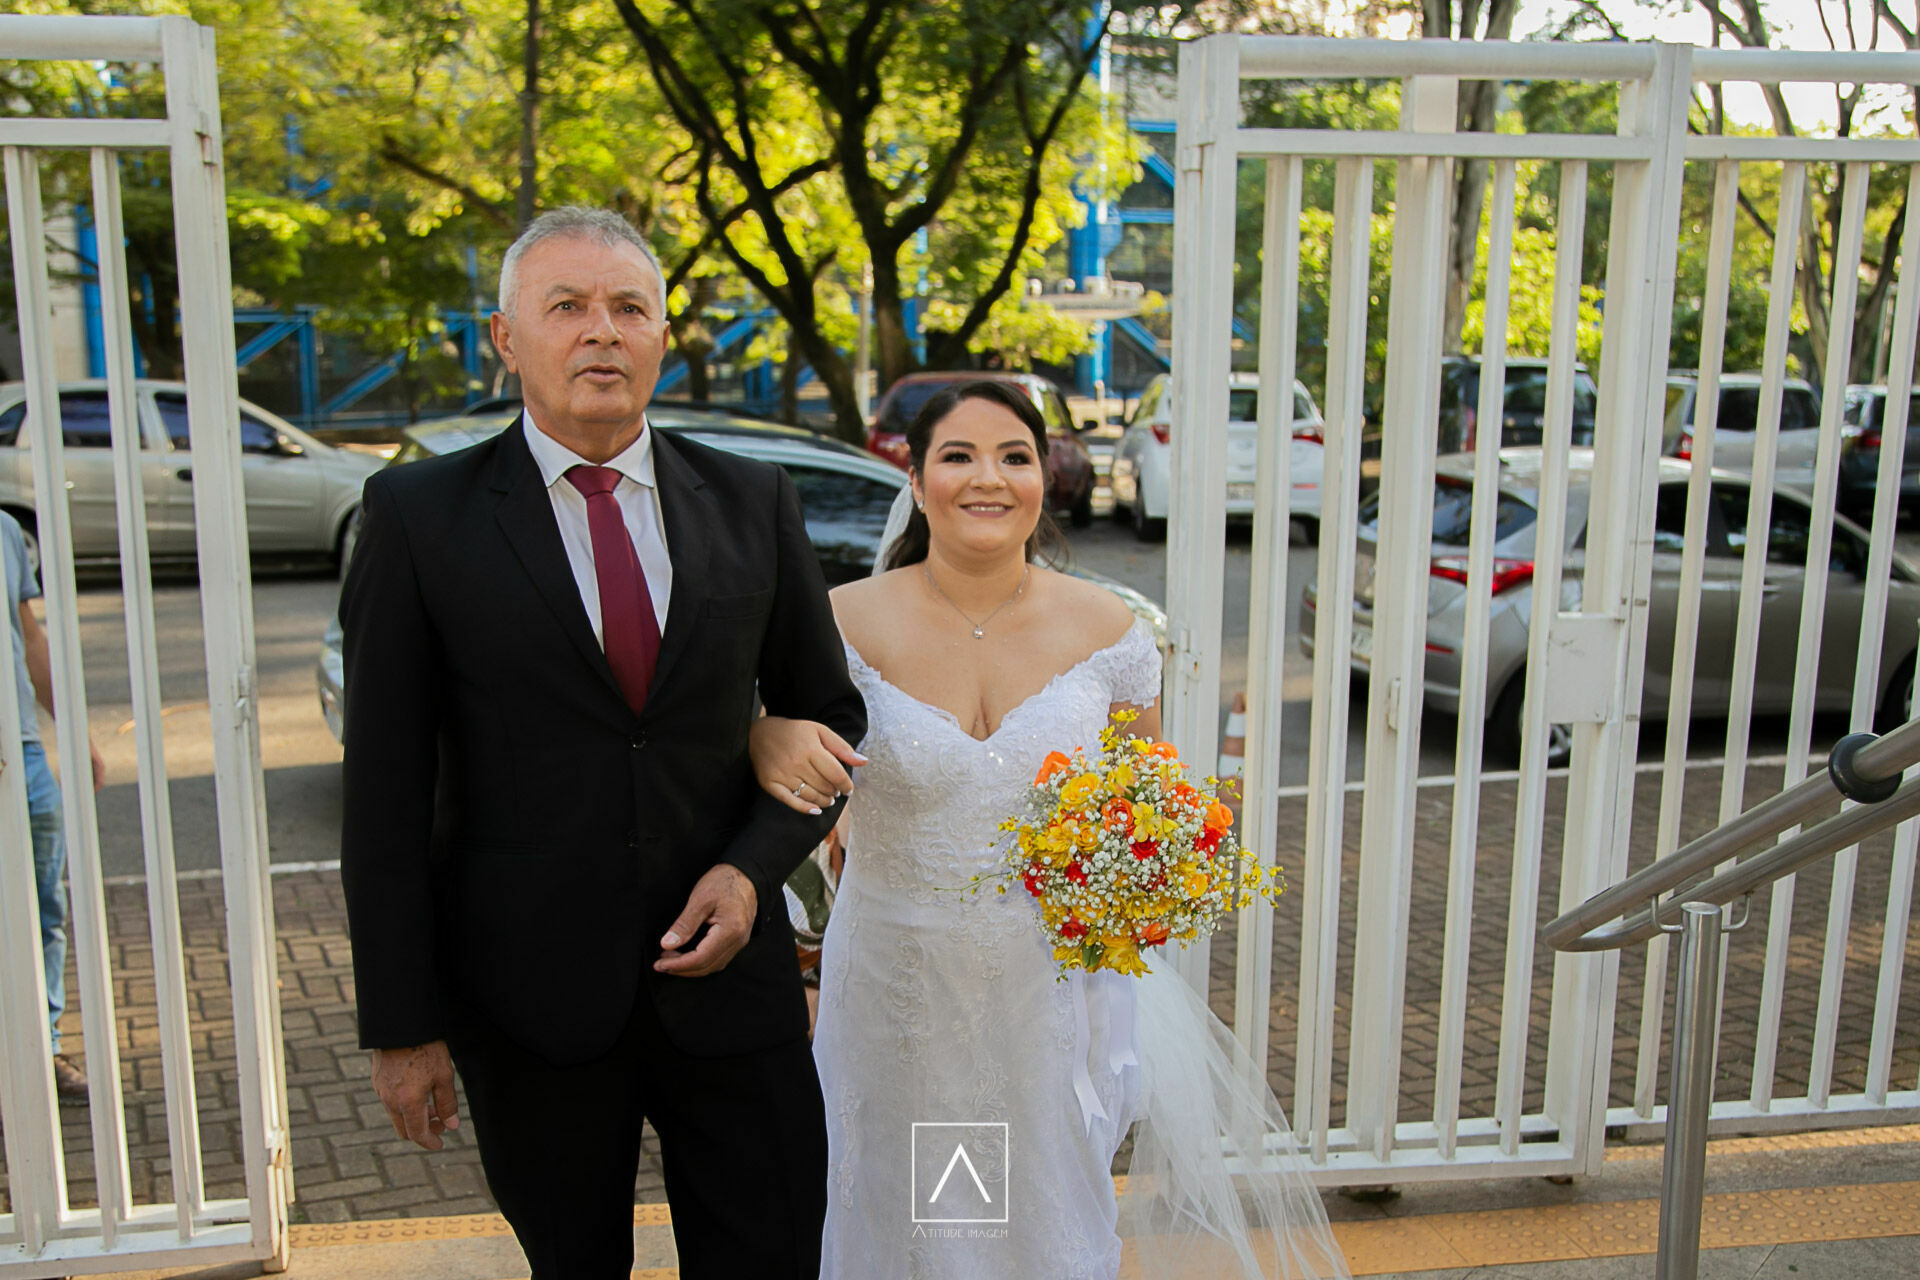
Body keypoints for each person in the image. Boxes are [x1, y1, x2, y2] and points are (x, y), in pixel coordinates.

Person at [338, 206, 864, 1280]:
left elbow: (829, 716)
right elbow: (384, 792)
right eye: (567, 306)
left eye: (629, 307)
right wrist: (403, 1023)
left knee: (775, 1252)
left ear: (664, 336)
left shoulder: (752, 498)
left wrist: (753, 869)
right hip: (528, 1003)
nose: (601, 332)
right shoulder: (416, 514)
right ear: (505, 337)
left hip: (732, 992)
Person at [749, 381, 1349, 1278]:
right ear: (916, 483)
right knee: (908, 1213)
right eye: (957, 457)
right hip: (897, 991)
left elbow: (1144, 811)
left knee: (1032, 1218)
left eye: (1014, 457)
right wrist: (763, 736)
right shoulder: (841, 623)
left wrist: (1154, 881)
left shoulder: (1107, 630)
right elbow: (787, 779)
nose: (987, 478)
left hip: (1046, 998)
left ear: (1047, 479)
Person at [0, 509, 107, 1102]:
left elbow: (30, 636)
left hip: (22, 754)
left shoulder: (4, 531)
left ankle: (44, 1046)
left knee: (43, 907)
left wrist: (73, 731)